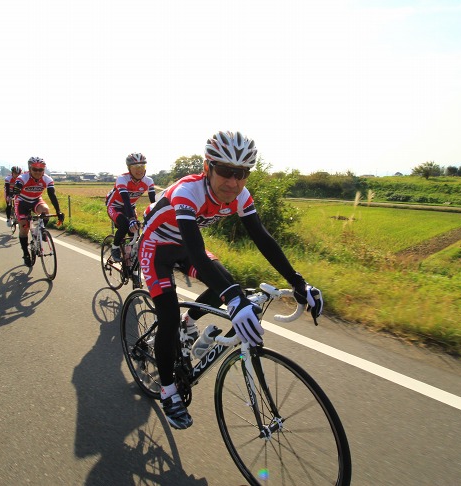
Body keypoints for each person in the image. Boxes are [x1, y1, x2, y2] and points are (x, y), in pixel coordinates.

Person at [138, 131, 324, 430]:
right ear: (207, 167)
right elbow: (198, 253)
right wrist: (235, 299)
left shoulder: (240, 196)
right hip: (157, 247)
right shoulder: (188, 192)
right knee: (169, 315)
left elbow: (262, 238)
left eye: (242, 174)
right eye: (225, 171)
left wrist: (298, 281)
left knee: (225, 280)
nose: (233, 182)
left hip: (185, 246)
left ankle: (190, 324)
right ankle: (168, 390)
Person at [12, 157, 65, 267]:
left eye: (40, 170)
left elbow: (52, 195)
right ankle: (26, 253)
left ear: (44, 170)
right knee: (24, 228)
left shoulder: (47, 179)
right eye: (35, 169)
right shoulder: (23, 177)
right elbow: (18, 185)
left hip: (36, 200)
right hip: (22, 202)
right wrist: (17, 189)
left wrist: (58, 211)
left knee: (45, 211)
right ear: (30, 169)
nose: (37, 172)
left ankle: (38, 232)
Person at [104, 153, 156, 262]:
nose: (139, 170)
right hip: (115, 206)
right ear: (129, 168)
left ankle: (129, 262)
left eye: (142, 166)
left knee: (134, 234)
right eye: (135, 167)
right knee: (125, 225)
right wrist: (131, 219)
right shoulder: (122, 179)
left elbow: (153, 202)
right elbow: (126, 200)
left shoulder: (148, 181)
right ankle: (115, 247)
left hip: (131, 207)